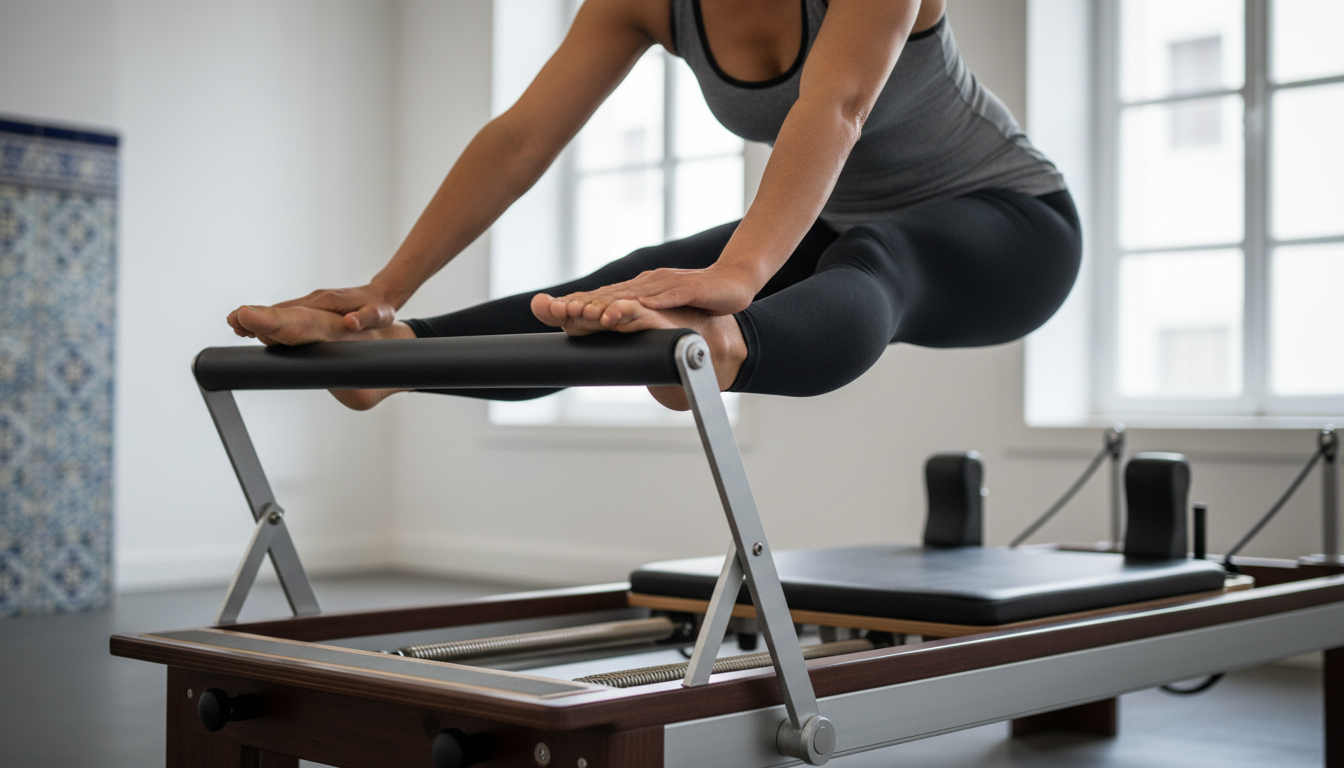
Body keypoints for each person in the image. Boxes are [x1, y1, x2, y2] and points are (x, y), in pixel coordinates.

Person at [228, 0, 1080, 412]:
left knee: (872, 260)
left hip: (1014, 227)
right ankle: (393, 355)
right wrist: (385, 290)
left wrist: (738, 281)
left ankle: (724, 348)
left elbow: (838, 107)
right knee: (631, 285)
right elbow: (521, 139)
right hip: (847, 218)